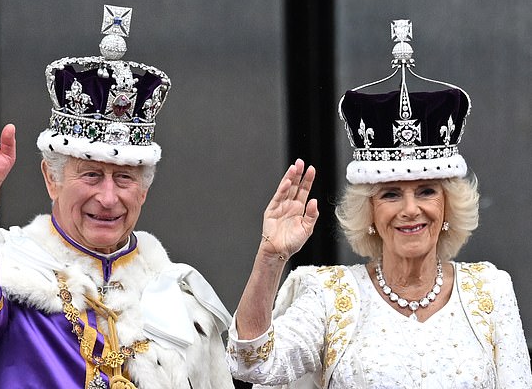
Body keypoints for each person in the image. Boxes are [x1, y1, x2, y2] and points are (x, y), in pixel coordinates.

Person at [0, 5, 234, 389]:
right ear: (51, 179)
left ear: (144, 191)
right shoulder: (9, 274)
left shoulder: (180, 300)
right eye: (91, 175)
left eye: (124, 178)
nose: (108, 198)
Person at [226, 20, 532, 388]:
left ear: (449, 205)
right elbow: (252, 365)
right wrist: (270, 257)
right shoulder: (330, 295)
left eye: (426, 190)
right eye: (390, 194)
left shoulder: (490, 291)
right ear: (369, 211)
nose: (410, 209)